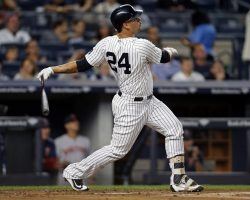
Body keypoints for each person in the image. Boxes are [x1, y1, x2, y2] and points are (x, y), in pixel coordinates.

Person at [37, 4, 203, 192]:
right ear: (125, 24)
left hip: (149, 101)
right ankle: (75, 171)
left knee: (174, 128)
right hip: (130, 105)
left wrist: (52, 69)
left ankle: (179, 178)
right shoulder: (142, 45)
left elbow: (82, 64)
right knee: (118, 150)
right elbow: (164, 57)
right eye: (134, 19)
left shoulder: (106, 43)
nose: (139, 21)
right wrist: (172, 51)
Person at [54, 114, 91, 184]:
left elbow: (91, 161)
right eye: (73, 122)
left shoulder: (86, 141)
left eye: (77, 121)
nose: (76, 123)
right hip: (64, 178)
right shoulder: (58, 141)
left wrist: (92, 178)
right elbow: (54, 162)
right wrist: (61, 164)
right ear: (66, 125)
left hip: (82, 177)